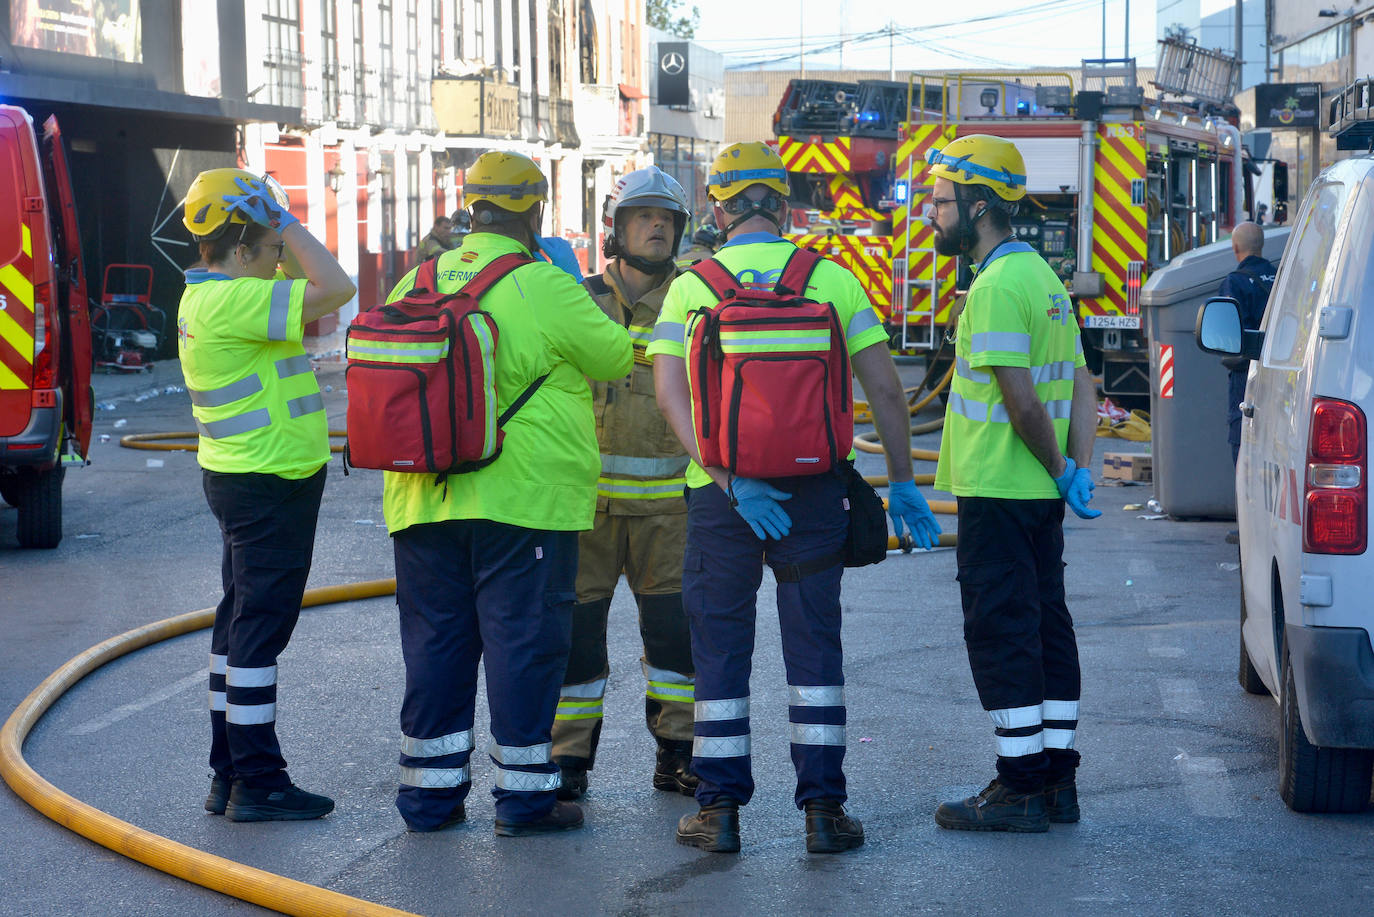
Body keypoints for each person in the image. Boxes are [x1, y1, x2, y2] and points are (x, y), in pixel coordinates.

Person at [647, 141, 942, 855]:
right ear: (783, 205)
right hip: (812, 491)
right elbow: (885, 390)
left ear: (718, 207)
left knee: (719, 651)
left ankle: (717, 811)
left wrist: (726, 479)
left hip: (722, 502)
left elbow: (668, 394)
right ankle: (822, 811)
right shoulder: (831, 279)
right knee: (814, 649)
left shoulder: (693, 285)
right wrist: (902, 480)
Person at [383, 151, 633, 835]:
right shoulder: (540, 283)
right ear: (536, 213)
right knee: (524, 646)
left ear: (472, 209)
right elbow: (613, 356)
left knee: (434, 646)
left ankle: (429, 800)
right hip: (523, 503)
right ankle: (525, 800)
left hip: (422, 497)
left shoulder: (417, 278)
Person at [921, 134, 1100, 833]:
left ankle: (1020, 783)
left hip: (1000, 488)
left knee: (1004, 631)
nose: (934, 214)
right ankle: (1056, 779)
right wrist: (1076, 469)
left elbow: (1024, 402)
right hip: (1039, 497)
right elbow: (1084, 386)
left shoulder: (994, 287)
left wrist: (1062, 467)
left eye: (942, 202)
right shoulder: (1046, 281)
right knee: (1047, 627)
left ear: (980, 205)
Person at [179, 169, 356, 822]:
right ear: (247, 245)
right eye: (273, 245)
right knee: (258, 632)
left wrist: (272, 225)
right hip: (269, 482)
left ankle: (228, 771)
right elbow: (337, 286)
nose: (283, 255)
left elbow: (316, 298)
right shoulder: (236, 301)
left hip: (245, 477)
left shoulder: (214, 296)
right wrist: (287, 220)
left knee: (237, 625)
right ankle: (257, 778)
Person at [552, 166, 698, 803]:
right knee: (574, 643)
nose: (658, 226)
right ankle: (568, 762)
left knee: (675, 642)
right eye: (643, 215)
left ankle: (679, 755)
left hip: (670, 510)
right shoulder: (573, 301)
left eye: (667, 218)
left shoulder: (694, 301)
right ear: (614, 229)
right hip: (581, 510)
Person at [1219, 222, 1275, 466]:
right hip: (1283, 380)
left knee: (1244, 456)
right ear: (1261, 246)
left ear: (1235, 247)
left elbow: (1227, 342)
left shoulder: (1235, 283)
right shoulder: (1282, 278)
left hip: (1247, 381)